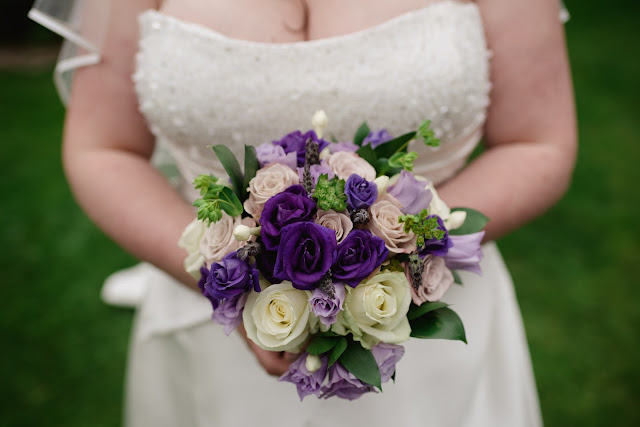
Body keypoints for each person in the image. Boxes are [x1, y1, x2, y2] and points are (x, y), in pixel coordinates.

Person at [30, 0, 576, 425]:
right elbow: (102, 149)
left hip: (429, 326)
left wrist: (395, 260)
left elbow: (537, 141)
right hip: (212, 331)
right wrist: (228, 278)